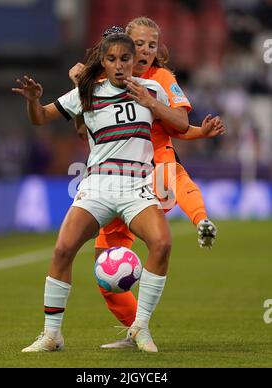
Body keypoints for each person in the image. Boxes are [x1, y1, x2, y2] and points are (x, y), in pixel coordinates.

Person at [12, 33, 189, 353]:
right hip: (98, 186)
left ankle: (140, 328)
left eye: (126, 59)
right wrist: (32, 101)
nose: (120, 65)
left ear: (135, 60)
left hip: (137, 186)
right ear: (103, 63)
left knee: (162, 244)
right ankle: (52, 336)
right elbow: (41, 119)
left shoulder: (152, 89)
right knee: (63, 249)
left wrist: (152, 103)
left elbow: (181, 123)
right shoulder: (87, 93)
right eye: (112, 59)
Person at [68, 19, 225, 348]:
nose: (145, 51)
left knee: (171, 171)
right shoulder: (100, 81)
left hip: (149, 167)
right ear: (123, 46)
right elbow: (84, 130)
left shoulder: (162, 79)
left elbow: (178, 124)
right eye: (139, 44)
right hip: (113, 179)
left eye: (152, 45)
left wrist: (192, 128)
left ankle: (201, 218)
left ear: (159, 50)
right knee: (105, 266)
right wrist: (81, 86)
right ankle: (135, 328)